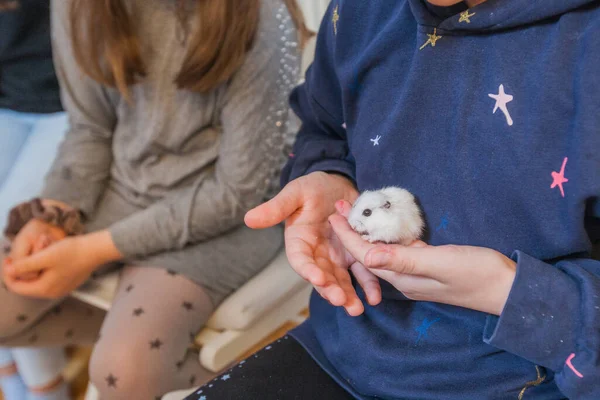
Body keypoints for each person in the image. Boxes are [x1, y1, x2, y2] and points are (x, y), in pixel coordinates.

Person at [186, 0, 600, 399]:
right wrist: (328, 173)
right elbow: (322, 127)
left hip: (524, 379)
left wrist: (511, 294)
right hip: (343, 345)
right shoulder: (357, 12)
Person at [0, 0, 309, 398]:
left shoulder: (261, 15)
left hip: (232, 216)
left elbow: (238, 192)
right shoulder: (76, 6)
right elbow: (89, 130)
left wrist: (93, 250)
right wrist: (54, 212)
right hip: (127, 189)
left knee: (124, 374)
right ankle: (151, 340)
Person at [0, 1, 73, 399]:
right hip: (8, 101)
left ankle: (46, 388)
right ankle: (10, 376)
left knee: (9, 241)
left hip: (70, 104)